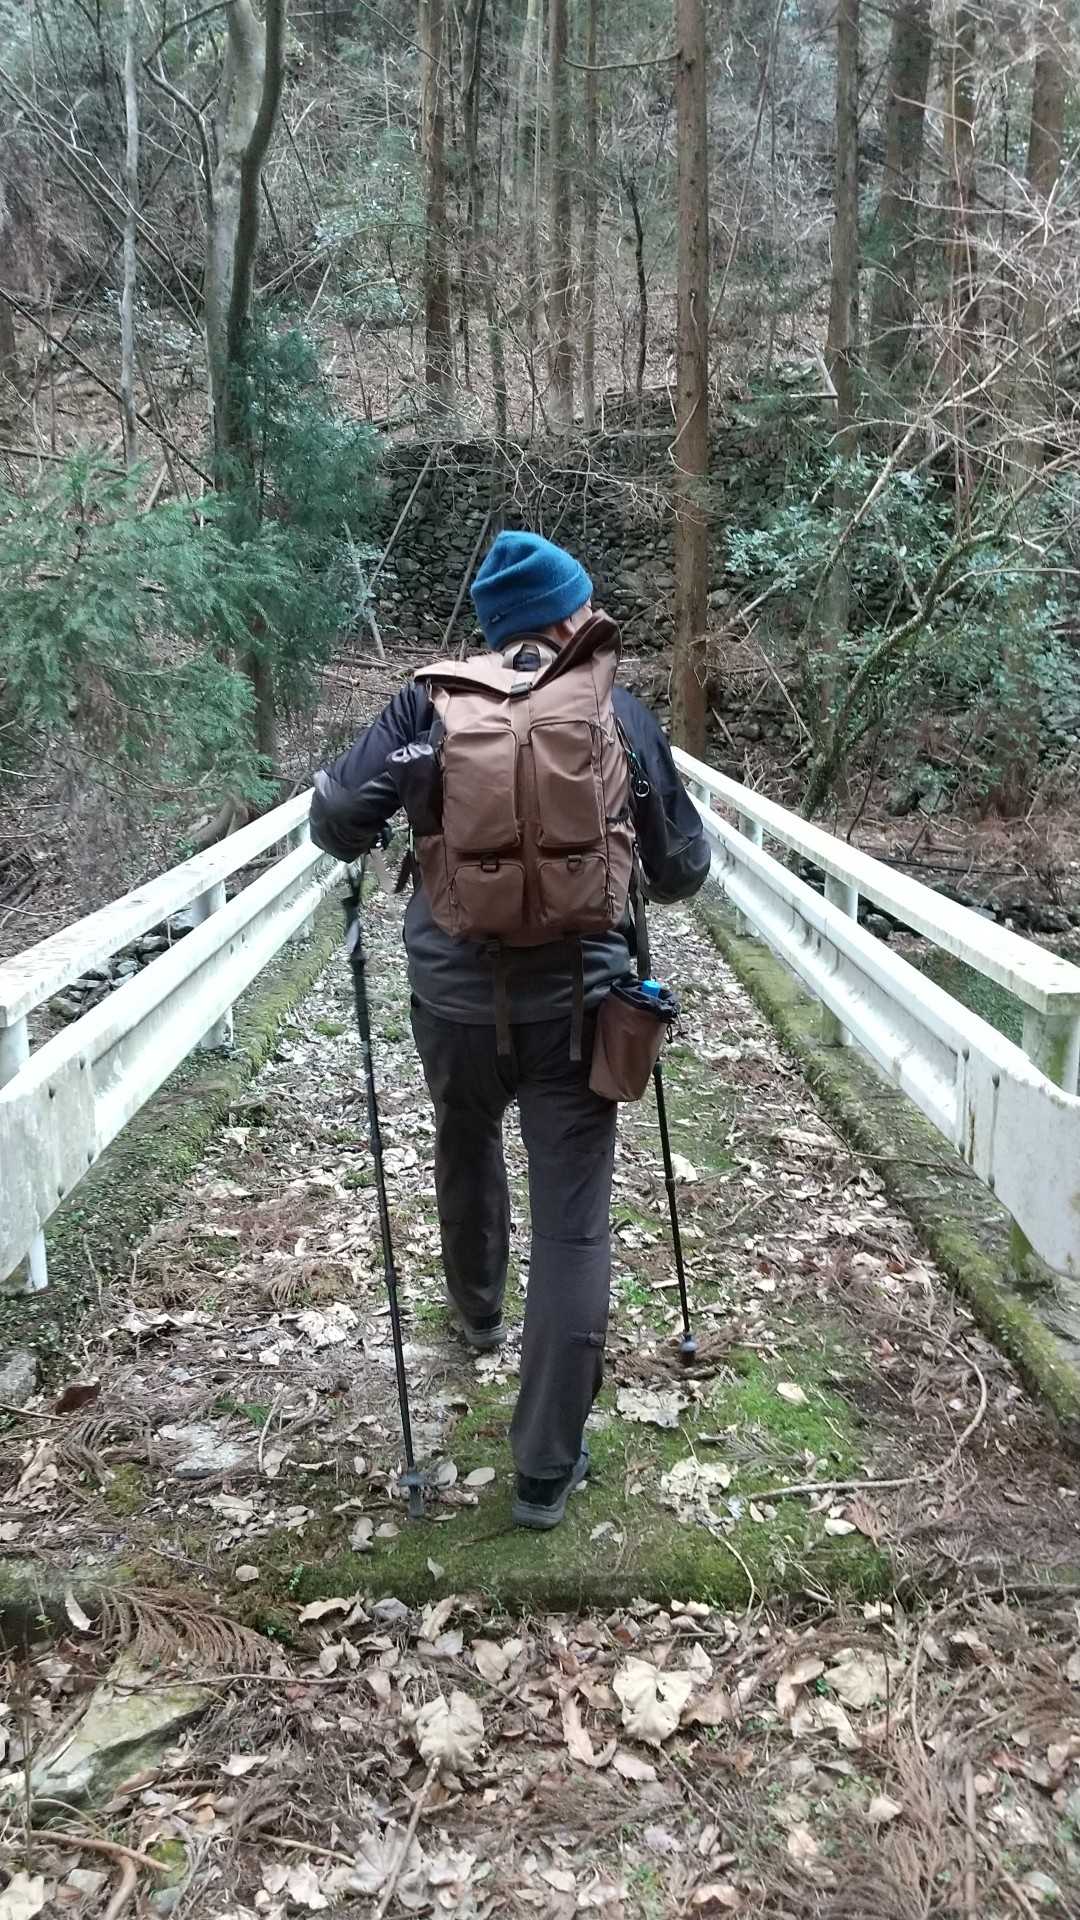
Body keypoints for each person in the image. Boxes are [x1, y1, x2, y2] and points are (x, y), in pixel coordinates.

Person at [310, 531, 709, 1529]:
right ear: (569, 616)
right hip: (580, 1006)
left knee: (464, 1139)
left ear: (494, 629)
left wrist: (411, 803)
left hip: (452, 997)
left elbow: (335, 821)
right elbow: (682, 872)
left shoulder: (424, 706)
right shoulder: (614, 710)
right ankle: (543, 1472)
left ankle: (479, 1311)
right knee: (572, 1225)